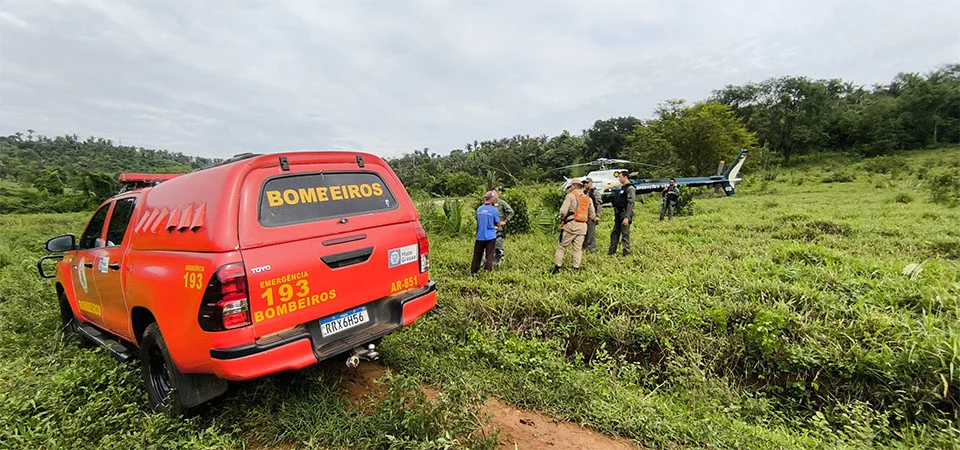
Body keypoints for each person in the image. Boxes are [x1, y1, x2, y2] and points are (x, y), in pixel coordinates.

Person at [552, 178, 596, 274]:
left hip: (571, 225)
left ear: (575, 186)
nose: (570, 188)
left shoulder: (570, 196)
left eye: (571, 186)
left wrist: (562, 219)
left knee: (562, 247)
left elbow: (563, 211)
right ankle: (575, 268)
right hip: (583, 227)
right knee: (578, 249)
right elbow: (592, 215)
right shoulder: (588, 198)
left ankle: (557, 268)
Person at [484, 187, 514, 267]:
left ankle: (500, 262)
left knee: (498, 244)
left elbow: (511, 212)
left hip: (499, 227)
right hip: (489, 227)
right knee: (488, 245)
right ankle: (488, 262)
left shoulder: (501, 203)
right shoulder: (487, 204)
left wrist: (505, 221)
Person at [471, 191, 500, 274]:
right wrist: (499, 225)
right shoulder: (493, 210)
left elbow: (479, 221)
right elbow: (497, 223)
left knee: (477, 256)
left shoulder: (479, 209)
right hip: (490, 237)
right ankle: (488, 273)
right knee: (489, 256)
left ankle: (474, 272)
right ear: (493, 200)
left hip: (480, 236)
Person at [608, 171, 636, 256]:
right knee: (614, 233)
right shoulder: (622, 188)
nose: (619, 179)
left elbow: (631, 203)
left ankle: (626, 253)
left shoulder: (630, 188)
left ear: (625, 177)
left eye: (620, 177)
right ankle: (612, 252)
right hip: (618, 214)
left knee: (625, 234)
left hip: (624, 213)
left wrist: (627, 217)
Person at [582, 177, 602, 253]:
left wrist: (597, 215)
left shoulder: (595, 192)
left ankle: (591, 250)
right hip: (583, 215)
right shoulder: (583, 192)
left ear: (591, 183)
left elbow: (598, 204)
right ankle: (584, 248)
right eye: (584, 183)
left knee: (591, 234)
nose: (585, 184)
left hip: (591, 215)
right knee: (584, 233)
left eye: (587, 183)